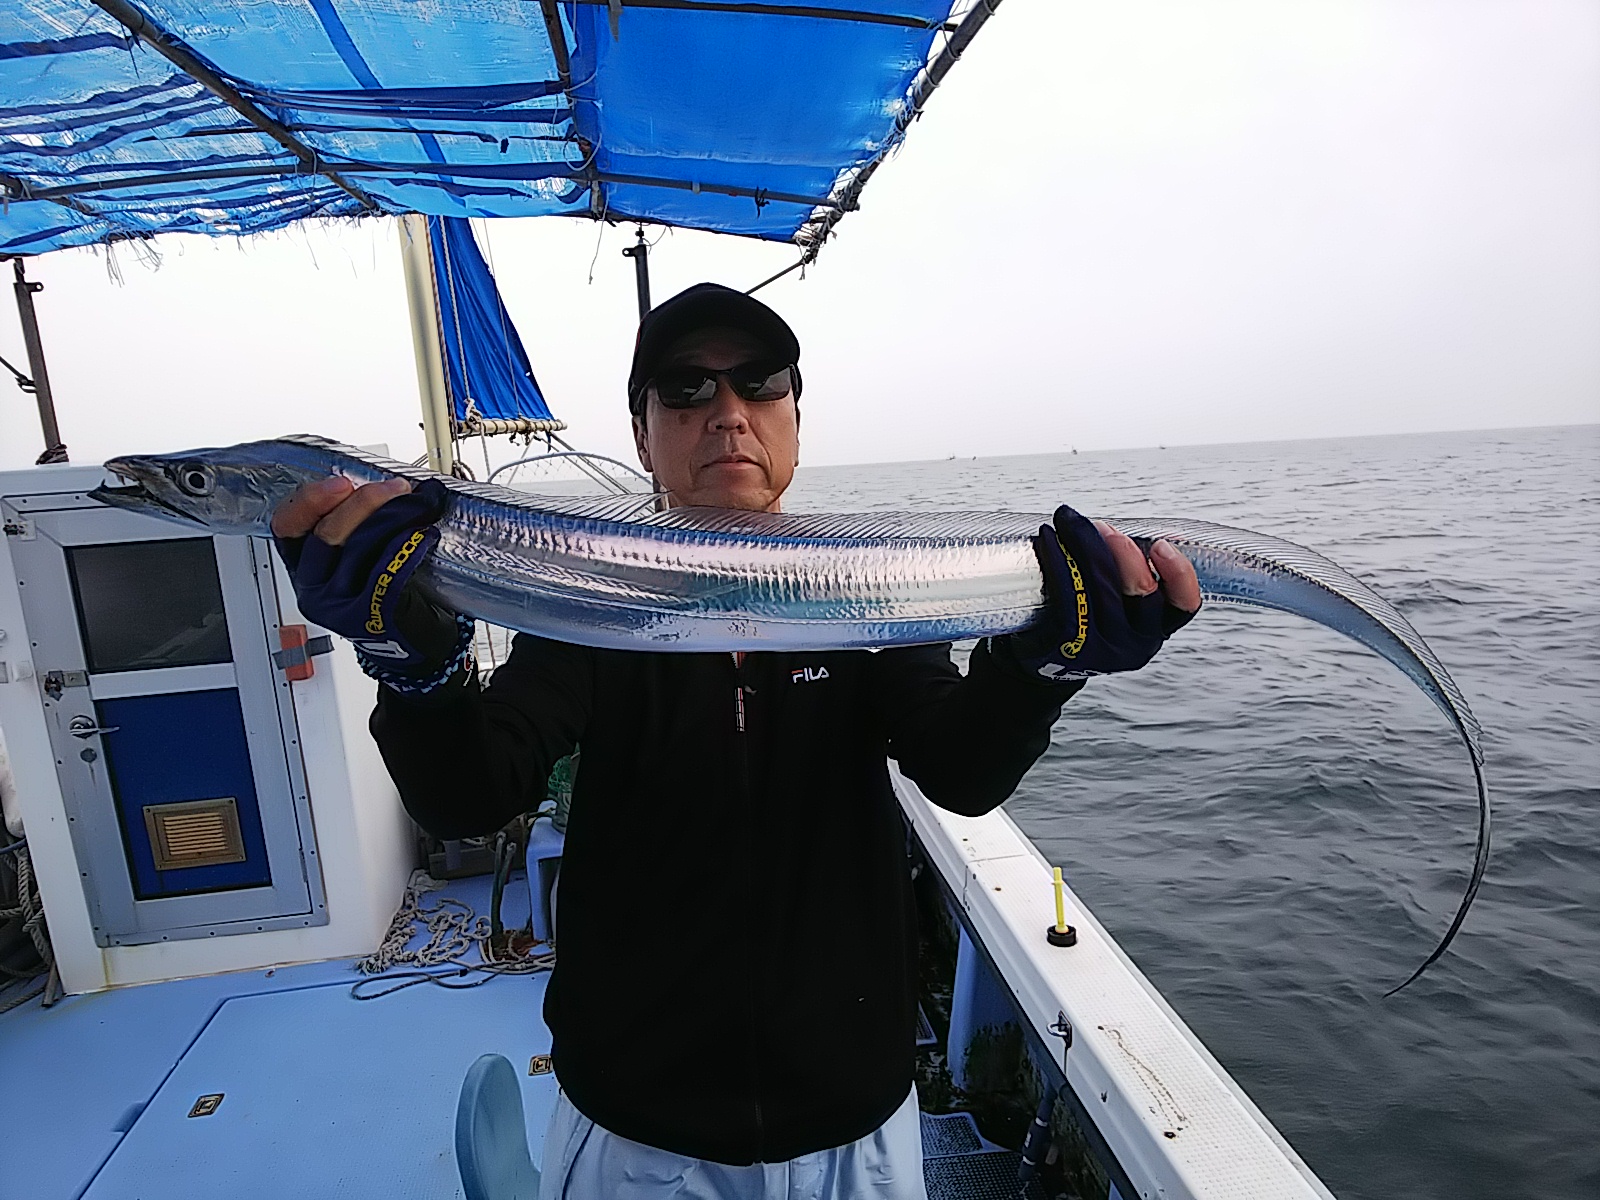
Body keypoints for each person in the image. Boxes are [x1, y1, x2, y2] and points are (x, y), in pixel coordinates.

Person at [269, 283, 1201, 1200]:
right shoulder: (591, 608)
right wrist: (411, 662)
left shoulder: (868, 592)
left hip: (854, 1123)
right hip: (637, 1130)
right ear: (643, 437)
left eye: (761, 383)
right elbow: (470, 795)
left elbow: (961, 771)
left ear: (795, 419)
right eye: (685, 388)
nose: (728, 413)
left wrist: (1039, 669)